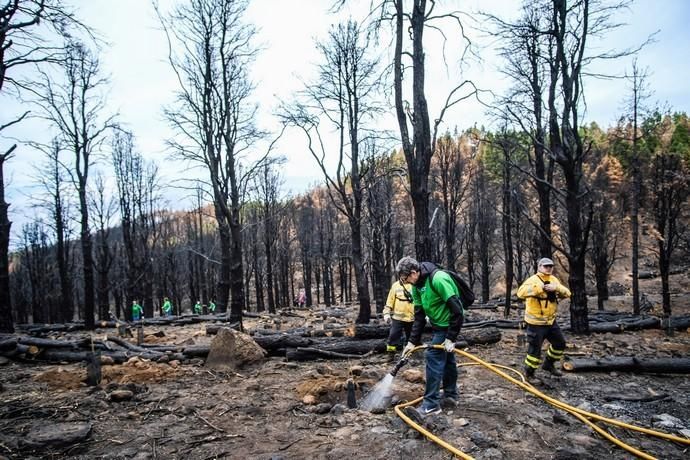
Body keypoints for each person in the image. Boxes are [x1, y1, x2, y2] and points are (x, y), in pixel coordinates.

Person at [398, 256, 464, 419]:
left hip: (449, 324)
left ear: (414, 273)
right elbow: (419, 316)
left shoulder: (438, 279)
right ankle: (450, 395)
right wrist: (411, 342)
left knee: (432, 356)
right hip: (438, 325)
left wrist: (451, 337)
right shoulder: (416, 286)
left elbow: (458, 311)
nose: (405, 282)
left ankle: (431, 405)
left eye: (405, 278)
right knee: (448, 360)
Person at [516, 257, 572, 380]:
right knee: (535, 350)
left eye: (550, 266)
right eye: (545, 266)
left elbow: (567, 293)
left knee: (560, 344)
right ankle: (529, 373)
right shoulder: (533, 280)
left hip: (551, 321)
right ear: (539, 267)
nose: (548, 268)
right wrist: (539, 288)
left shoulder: (553, 279)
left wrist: (556, 288)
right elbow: (520, 293)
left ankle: (548, 364)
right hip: (535, 323)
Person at [383, 279, 415, 353]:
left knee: (412, 338)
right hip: (398, 318)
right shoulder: (395, 286)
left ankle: (410, 355)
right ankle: (390, 354)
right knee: (393, 337)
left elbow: (422, 300)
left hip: (412, 317)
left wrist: (426, 314)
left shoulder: (414, 285)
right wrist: (386, 314)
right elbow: (389, 302)